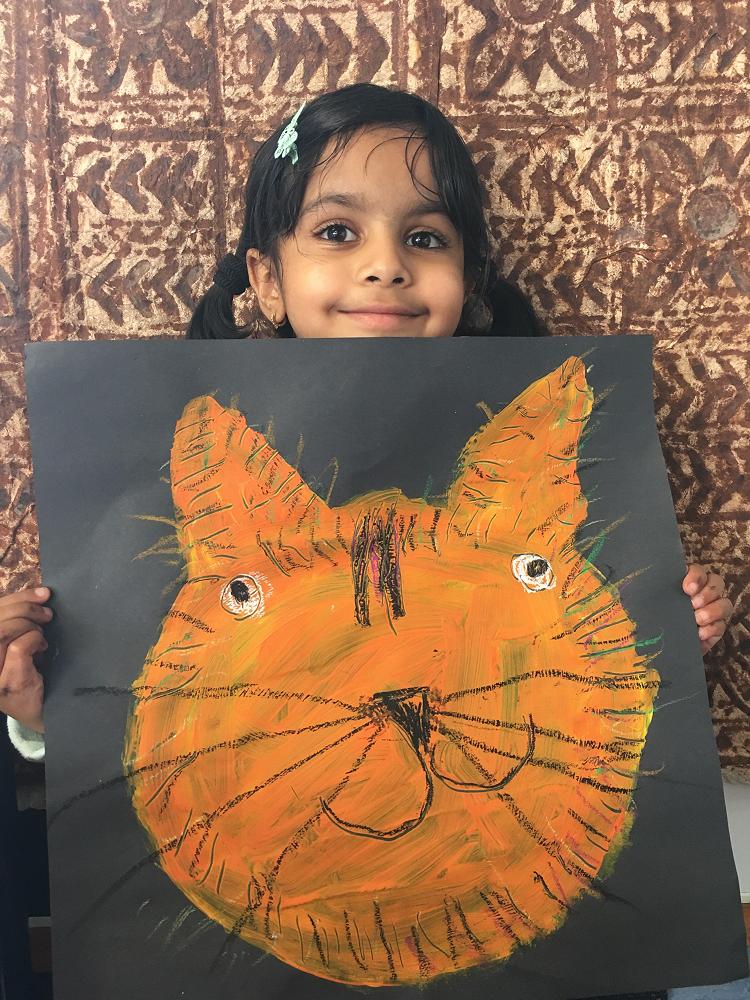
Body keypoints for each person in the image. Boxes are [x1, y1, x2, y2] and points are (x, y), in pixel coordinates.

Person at [0, 84, 736, 998]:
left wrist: (672, 625)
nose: (385, 267)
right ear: (266, 277)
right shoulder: (153, 457)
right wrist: (45, 718)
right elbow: (155, 718)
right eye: (338, 232)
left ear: (470, 281)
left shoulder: (535, 479)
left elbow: (596, 695)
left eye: (425, 239)